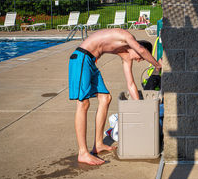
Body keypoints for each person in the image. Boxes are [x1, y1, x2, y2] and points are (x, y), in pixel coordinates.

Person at [68, 28, 162, 165]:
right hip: (81, 58)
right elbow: (142, 50)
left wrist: (140, 108)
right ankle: (83, 152)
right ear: (136, 47)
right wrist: (157, 65)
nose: (139, 60)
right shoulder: (127, 36)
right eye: (141, 58)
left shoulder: (125, 56)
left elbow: (131, 84)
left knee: (105, 98)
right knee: (83, 103)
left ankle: (98, 144)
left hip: (90, 62)